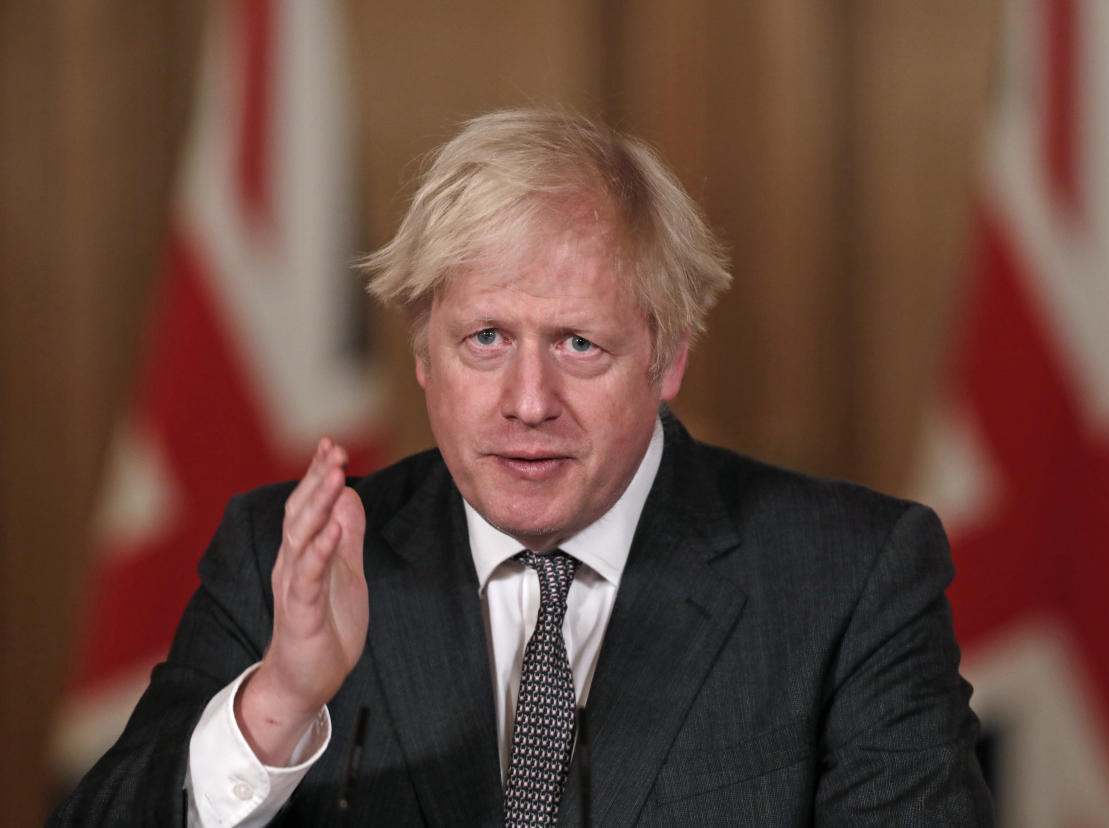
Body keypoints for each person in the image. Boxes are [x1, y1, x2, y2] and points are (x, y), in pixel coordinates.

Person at [51, 109, 993, 826]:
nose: (528, 400)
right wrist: (281, 701)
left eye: (579, 343)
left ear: (669, 359)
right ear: (424, 356)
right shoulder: (285, 554)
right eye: (486, 338)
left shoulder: (851, 574)